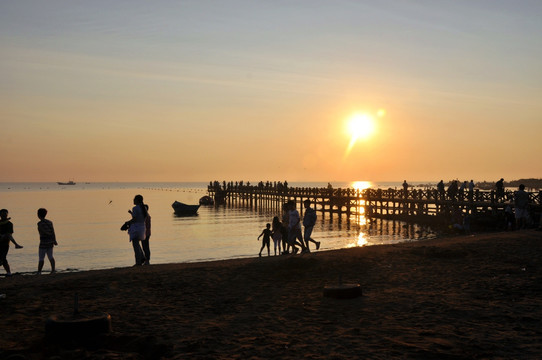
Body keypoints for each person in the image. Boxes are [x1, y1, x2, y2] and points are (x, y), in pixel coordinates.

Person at [0, 209, 23, 276]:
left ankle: (9, 272)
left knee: (3, 258)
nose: (4, 215)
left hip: (5, 244)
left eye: (5, 214)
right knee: (2, 259)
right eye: (2, 214)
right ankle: (9, 272)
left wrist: (3, 236)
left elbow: (9, 234)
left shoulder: (9, 224)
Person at [128, 194, 148, 266]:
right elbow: (140, 217)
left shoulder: (135, 208)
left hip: (136, 228)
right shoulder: (144, 208)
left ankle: (138, 262)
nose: (133, 200)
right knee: (137, 244)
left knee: (135, 245)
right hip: (142, 228)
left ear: (137, 200)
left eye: (134, 199)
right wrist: (131, 213)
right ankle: (142, 257)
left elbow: (135, 219)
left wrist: (128, 222)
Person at [37, 208, 57, 274]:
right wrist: (54, 240)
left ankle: (39, 271)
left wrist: (48, 234)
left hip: (43, 242)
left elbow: (42, 231)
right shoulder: (50, 222)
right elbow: (53, 232)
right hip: (50, 241)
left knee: (41, 258)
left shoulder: (39, 223)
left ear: (38, 215)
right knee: (50, 256)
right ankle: (53, 270)